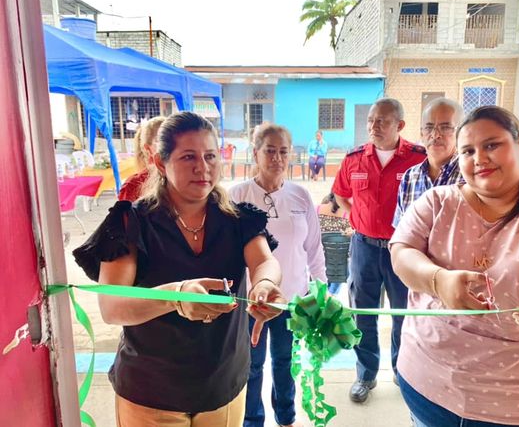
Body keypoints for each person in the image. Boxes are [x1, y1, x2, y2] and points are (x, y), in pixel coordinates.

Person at [389, 106, 519, 427]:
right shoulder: (436, 203)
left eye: (491, 145)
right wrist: (438, 281)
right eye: (467, 151)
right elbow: (402, 252)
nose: (479, 158)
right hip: (431, 390)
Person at [73, 112, 286, 427]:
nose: (203, 167)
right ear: (160, 163)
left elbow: (264, 261)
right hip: (151, 393)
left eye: (210, 156)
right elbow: (112, 306)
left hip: (222, 387)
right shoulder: (132, 222)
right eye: (188, 157)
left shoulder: (238, 219)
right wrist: (176, 295)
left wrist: (265, 284)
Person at [229, 123, 326, 427]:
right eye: (270, 151)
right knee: (251, 365)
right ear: (255, 153)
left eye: (283, 151)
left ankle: (286, 417)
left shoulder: (301, 196)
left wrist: (320, 291)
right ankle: (252, 420)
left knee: (285, 362)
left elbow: (314, 248)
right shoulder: (237, 195)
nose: (277, 158)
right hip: (251, 300)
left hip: (292, 300)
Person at [332, 97, 426, 403]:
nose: (374, 126)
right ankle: (365, 374)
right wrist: (356, 218)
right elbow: (341, 195)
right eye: (371, 120)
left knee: (403, 312)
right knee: (364, 312)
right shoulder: (354, 158)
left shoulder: (418, 159)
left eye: (382, 121)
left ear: (400, 125)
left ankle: (402, 370)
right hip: (364, 247)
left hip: (404, 249)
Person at [392, 97, 463, 228]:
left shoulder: (470, 177)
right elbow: (400, 231)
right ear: (421, 133)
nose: (435, 134)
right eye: (429, 127)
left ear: (460, 133)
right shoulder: (410, 177)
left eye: (445, 127)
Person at [118, 116, 165, 201]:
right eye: (162, 141)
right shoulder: (133, 185)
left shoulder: (184, 178)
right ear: (148, 148)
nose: (171, 147)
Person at [316, 192, 352, 295]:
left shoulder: (316, 210)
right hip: (340, 270)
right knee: (341, 259)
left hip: (318, 264)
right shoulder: (348, 215)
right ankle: (332, 295)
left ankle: (326, 294)